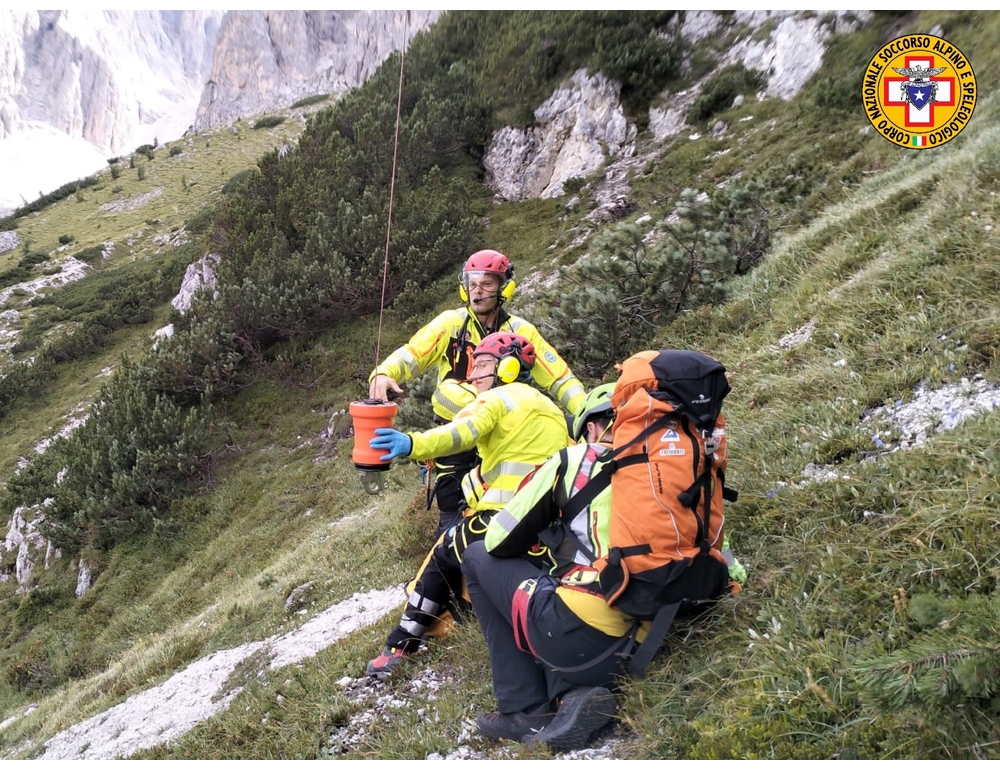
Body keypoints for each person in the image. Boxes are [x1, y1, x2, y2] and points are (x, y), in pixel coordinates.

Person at [461, 383, 746, 751]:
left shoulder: (576, 459)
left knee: (478, 556)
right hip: (652, 641)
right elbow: (729, 564)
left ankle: (524, 710)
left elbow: (499, 540)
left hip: (579, 640)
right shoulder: (681, 472)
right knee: (560, 587)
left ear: (593, 427)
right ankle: (571, 695)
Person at [365, 331, 571, 679]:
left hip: (504, 518)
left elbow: (459, 433)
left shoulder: (497, 399)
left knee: (444, 553)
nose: (473, 374)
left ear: (507, 368)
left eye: (483, 365)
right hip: (549, 526)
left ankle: (398, 647)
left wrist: (412, 444)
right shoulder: (551, 409)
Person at [368, 249, 586, 534]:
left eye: (486, 284)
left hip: (507, 432)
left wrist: (589, 413)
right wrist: (384, 373)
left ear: (504, 288)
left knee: (517, 499)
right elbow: (413, 354)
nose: (477, 291)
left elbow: (560, 378)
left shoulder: (521, 331)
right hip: (457, 429)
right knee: (451, 506)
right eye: (472, 284)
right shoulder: (450, 323)